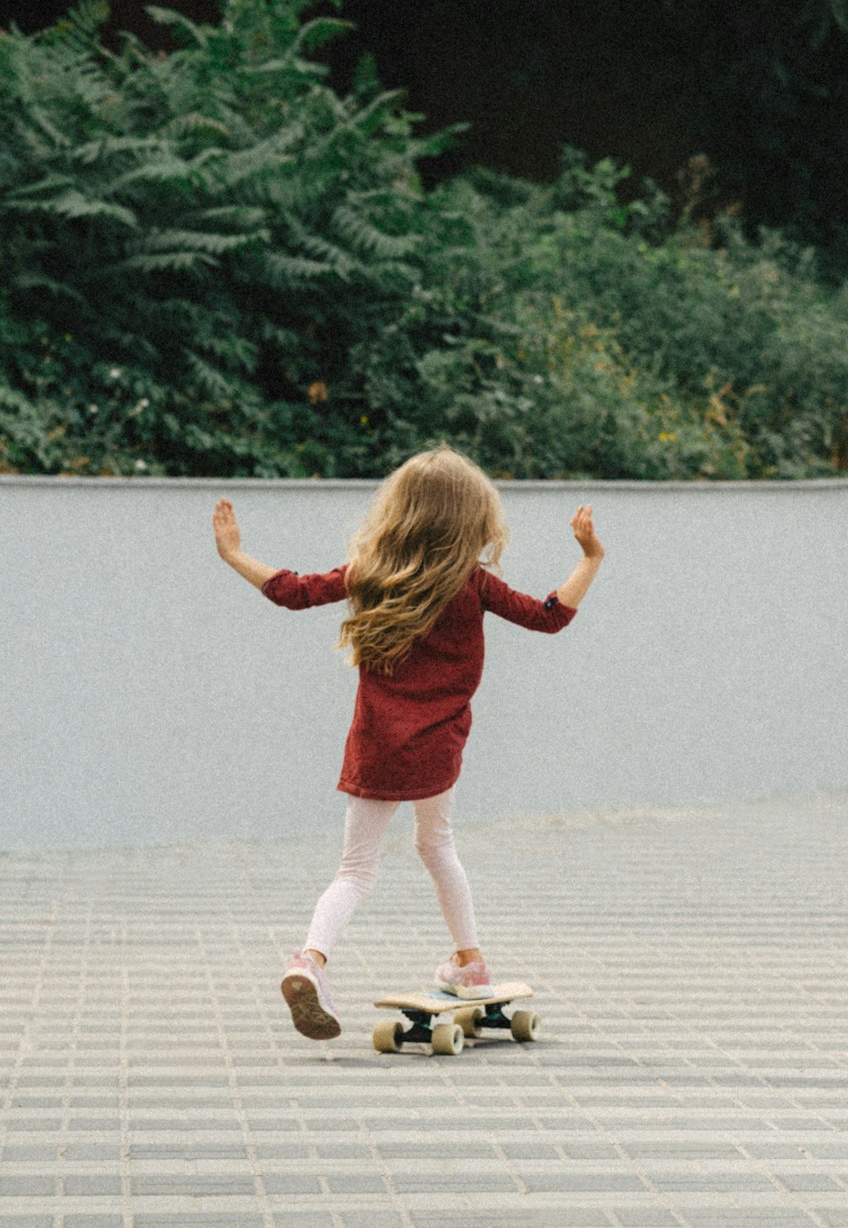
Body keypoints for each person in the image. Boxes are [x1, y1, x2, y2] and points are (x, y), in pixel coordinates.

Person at [212, 444, 604, 1041]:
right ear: (473, 519)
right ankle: (470, 964)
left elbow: (293, 591)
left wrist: (235, 554)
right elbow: (549, 616)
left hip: (376, 748)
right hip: (438, 749)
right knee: (436, 843)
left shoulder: (372, 575)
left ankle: (309, 964)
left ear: (399, 513)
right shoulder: (473, 583)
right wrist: (590, 557)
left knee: (355, 871)